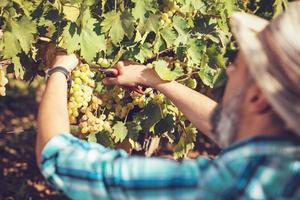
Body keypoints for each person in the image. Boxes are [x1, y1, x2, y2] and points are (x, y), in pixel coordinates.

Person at [36, 3, 300, 200]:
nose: (229, 71)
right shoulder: (287, 169)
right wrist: (153, 78)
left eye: (238, 66)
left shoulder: (228, 187)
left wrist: (59, 71)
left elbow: (58, 155)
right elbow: (222, 124)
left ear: (259, 97)